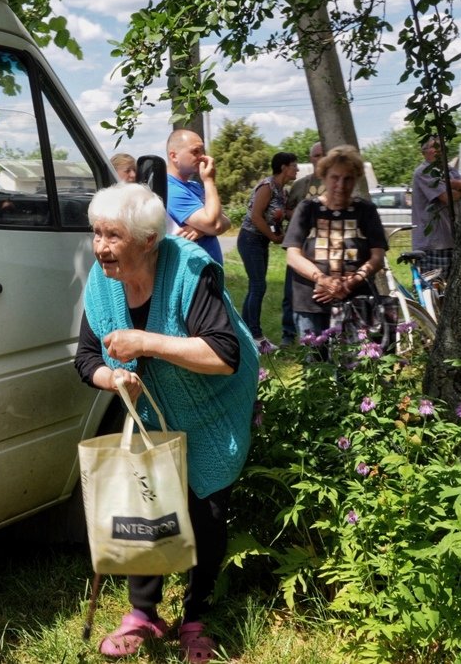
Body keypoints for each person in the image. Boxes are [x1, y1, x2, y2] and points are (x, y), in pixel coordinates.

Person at [74, 183, 259, 662]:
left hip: (211, 401)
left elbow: (224, 354)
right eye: (96, 234)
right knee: (146, 499)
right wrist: (111, 378)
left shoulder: (191, 270)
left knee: (206, 508)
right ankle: (144, 615)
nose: (100, 247)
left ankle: (197, 614)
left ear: (149, 240)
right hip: (149, 406)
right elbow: (85, 359)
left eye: (113, 236)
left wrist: (144, 342)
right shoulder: (101, 279)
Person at [282, 145, 388, 342]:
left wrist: (350, 283)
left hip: (357, 299)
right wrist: (323, 280)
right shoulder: (307, 209)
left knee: (356, 365)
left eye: (348, 178)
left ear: (356, 179)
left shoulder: (366, 210)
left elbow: (378, 257)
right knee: (317, 364)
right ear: (323, 177)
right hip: (312, 300)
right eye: (335, 177)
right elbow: (293, 255)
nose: (341, 184)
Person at [236, 152, 298, 346]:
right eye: (294, 165)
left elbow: (283, 213)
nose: (296, 169)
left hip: (260, 241)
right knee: (258, 286)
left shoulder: (282, 190)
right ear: (283, 167)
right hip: (249, 239)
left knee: (257, 286)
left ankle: (245, 332)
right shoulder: (267, 186)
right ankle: (256, 336)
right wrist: (273, 237)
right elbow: (256, 216)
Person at [281, 141, 325, 346]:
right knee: (292, 293)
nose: (321, 159)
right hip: (301, 248)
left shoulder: (337, 183)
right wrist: (303, 215)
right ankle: (288, 334)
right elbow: (286, 210)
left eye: (324, 154)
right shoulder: (300, 185)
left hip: (327, 250)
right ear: (311, 159)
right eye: (317, 155)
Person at [165, 129, 231, 264]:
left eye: (202, 151)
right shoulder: (170, 189)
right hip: (194, 276)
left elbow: (226, 222)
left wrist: (201, 229)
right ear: (174, 156)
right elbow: (216, 225)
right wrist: (209, 181)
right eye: (195, 151)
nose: (202, 157)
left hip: (210, 272)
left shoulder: (194, 186)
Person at [411, 135, 461, 281]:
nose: (439, 151)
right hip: (433, 245)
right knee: (435, 291)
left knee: (452, 290)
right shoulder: (423, 172)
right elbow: (446, 197)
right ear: (424, 152)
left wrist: (457, 185)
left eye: (442, 147)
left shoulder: (450, 171)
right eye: (434, 147)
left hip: (451, 241)